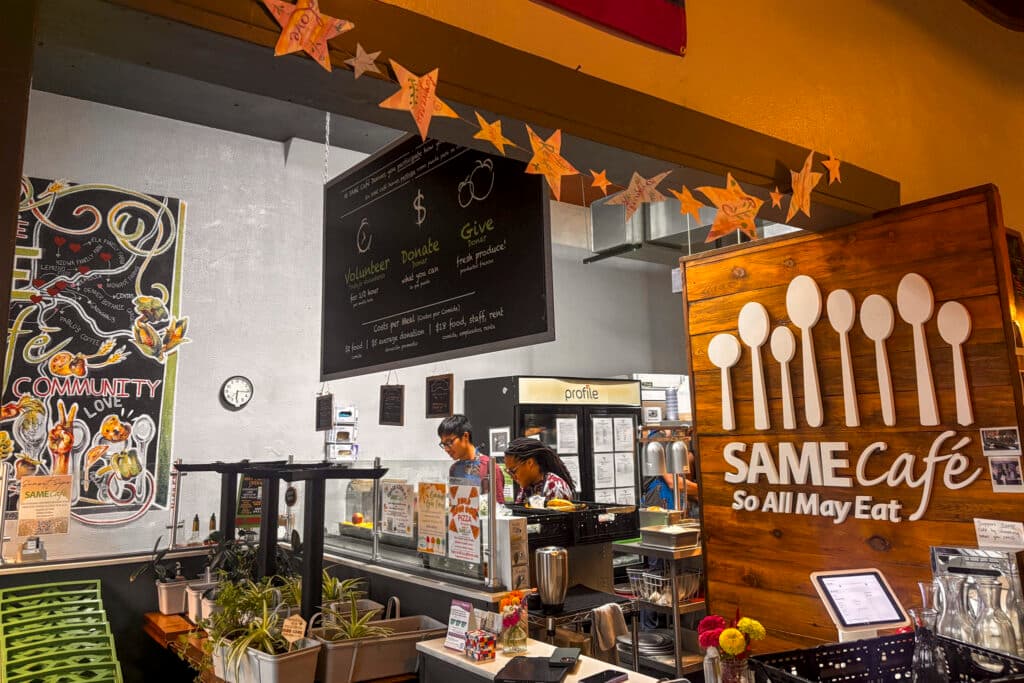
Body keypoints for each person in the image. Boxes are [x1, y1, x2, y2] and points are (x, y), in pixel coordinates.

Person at [438, 415, 504, 502]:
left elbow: (498, 507)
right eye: (443, 444)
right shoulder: (454, 469)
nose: (446, 449)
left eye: (449, 442)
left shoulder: (489, 467)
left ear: (465, 436)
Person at [503, 437, 575, 504]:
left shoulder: (554, 486)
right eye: (508, 472)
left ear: (529, 463)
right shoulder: (527, 485)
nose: (512, 477)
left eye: (513, 471)